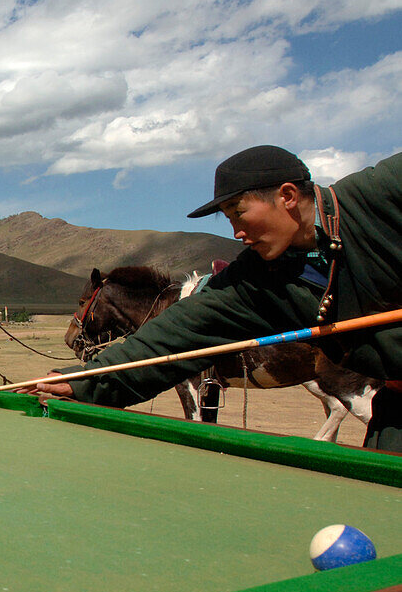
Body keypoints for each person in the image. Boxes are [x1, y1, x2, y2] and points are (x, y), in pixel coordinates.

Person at [30, 145, 401, 452]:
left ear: (287, 196)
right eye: (227, 218)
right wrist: (83, 380)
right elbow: (178, 334)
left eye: (239, 213)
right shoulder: (256, 279)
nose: (236, 231)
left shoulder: (380, 193)